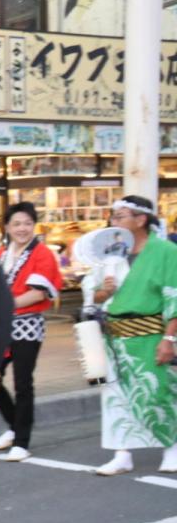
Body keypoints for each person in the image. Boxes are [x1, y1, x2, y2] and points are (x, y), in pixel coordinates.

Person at [88, 195, 177, 476]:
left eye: (121, 216)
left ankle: (172, 446)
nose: (115, 222)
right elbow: (94, 294)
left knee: (157, 392)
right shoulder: (112, 252)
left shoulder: (165, 251)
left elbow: (174, 297)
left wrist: (170, 339)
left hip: (151, 332)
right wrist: (105, 291)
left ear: (141, 220)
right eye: (113, 216)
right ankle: (121, 453)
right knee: (115, 395)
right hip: (114, 335)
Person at [0, 202, 63, 462]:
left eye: (27, 223)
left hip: (27, 326)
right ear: (7, 227)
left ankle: (22, 440)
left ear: (34, 225)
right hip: (1, 326)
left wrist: (3, 304)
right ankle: (13, 424)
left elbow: (38, 293)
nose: (22, 228)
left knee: (23, 383)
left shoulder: (41, 254)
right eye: (16, 224)